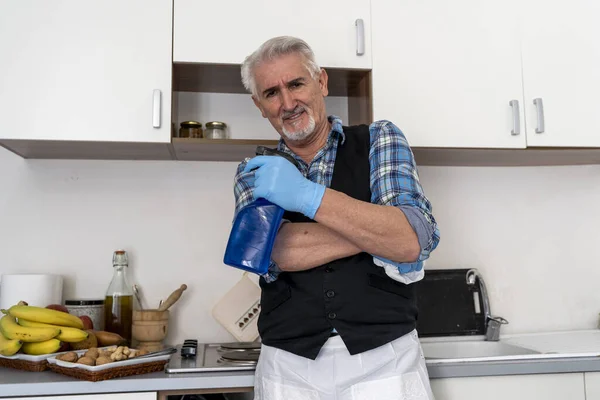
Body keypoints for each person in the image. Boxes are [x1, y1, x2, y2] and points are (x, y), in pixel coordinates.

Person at [233, 36, 440, 400]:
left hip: (385, 362)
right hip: (288, 368)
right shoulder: (254, 172)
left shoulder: (381, 140)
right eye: (271, 93)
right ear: (259, 105)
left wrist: (304, 197)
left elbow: (410, 241)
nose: (287, 102)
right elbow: (276, 252)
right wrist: (378, 230)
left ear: (322, 82)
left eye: (296, 84)